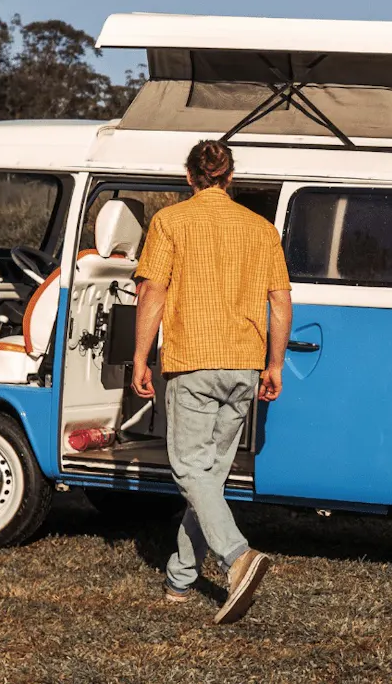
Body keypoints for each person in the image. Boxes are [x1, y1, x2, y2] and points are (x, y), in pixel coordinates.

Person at [131, 140, 292, 624]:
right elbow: (281, 302)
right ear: (230, 178)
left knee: (188, 470)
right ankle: (180, 579)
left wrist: (140, 357)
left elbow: (151, 292)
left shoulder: (170, 222)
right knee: (210, 478)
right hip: (244, 363)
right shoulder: (262, 229)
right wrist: (275, 365)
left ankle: (237, 557)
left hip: (194, 360)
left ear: (189, 177)